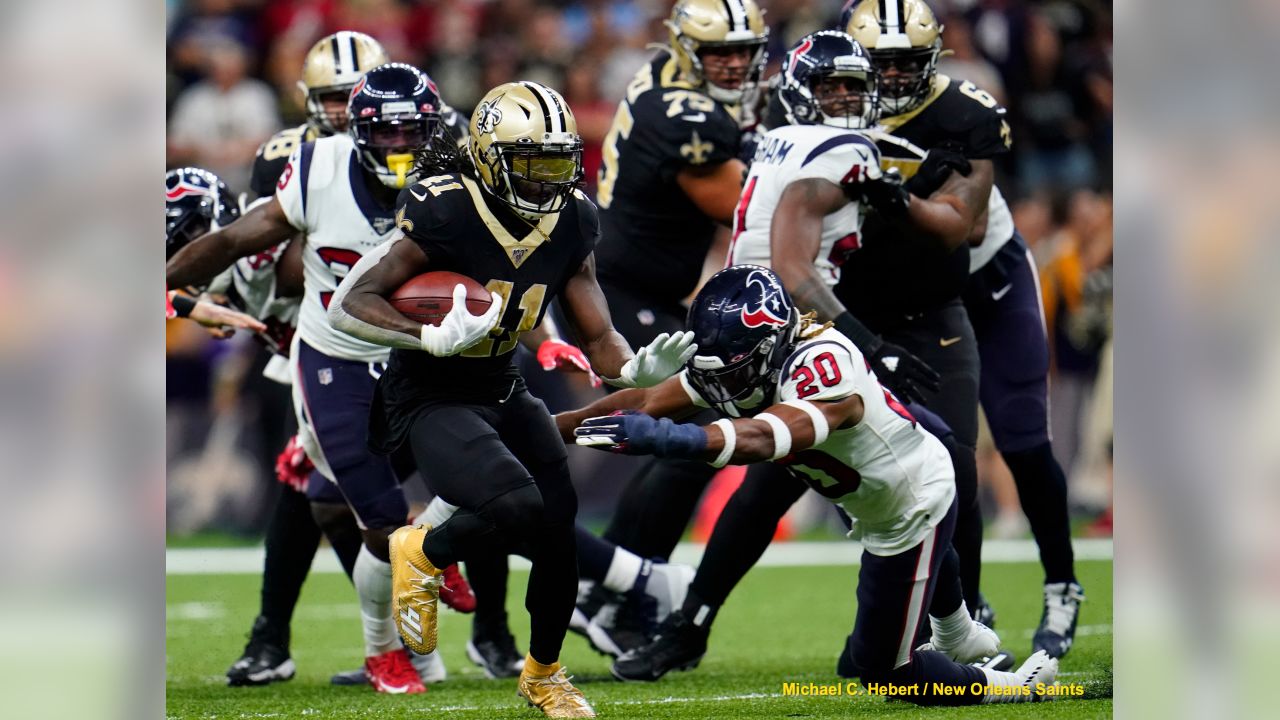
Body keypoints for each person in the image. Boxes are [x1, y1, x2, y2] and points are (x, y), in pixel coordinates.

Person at [609, 29, 979, 683]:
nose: (843, 98)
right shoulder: (839, 146)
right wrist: (873, 346)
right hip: (775, 331)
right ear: (805, 92)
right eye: (831, 86)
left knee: (888, 471)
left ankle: (680, 622)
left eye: (852, 87)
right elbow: (793, 262)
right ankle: (957, 626)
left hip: (744, 322)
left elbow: (838, 208)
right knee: (913, 472)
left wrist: (903, 185)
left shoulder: (786, 136)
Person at [326, 81, 696, 719]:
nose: (549, 179)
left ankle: (544, 675)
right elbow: (349, 303)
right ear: (489, 157)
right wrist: (425, 333)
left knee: (555, 528)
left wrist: (632, 368)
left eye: (559, 162)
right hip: (430, 391)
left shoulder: (574, 216)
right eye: (532, 163)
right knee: (519, 506)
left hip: (503, 382)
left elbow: (598, 331)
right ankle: (425, 550)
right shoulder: (447, 209)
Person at [565, 266, 1059, 706]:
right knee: (887, 630)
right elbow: (647, 402)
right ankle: (957, 631)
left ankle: (1012, 685)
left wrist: (673, 438)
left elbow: (763, 438)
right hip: (870, 491)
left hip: (910, 503)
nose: (723, 386)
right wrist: (546, 429)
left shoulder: (823, 363)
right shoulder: (740, 361)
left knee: (888, 674)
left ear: (771, 345)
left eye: (733, 372)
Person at [168, 63, 453, 694]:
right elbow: (239, 243)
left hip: (423, 354)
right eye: (386, 134)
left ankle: (439, 551)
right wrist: (165, 284)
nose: (401, 148)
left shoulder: (454, 174)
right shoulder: (317, 173)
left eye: (413, 134)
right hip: (338, 357)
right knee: (374, 516)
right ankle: (392, 648)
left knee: (485, 478)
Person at [844, 0, 1084, 655]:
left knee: (1022, 439)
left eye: (904, 62)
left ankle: (1062, 584)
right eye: (878, 63)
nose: (891, 78)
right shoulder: (830, 106)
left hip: (985, 282)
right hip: (910, 299)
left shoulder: (965, 110)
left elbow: (969, 226)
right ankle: (964, 608)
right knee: (944, 464)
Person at [580, 0, 768, 656]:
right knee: (690, 441)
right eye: (720, 52)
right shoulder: (682, 111)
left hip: (642, 287)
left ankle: (612, 588)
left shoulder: (675, 82)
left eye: (743, 51)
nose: (735, 63)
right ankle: (615, 591)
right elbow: (746, 209)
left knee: (682, 444)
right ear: (688, 48)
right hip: (619, 292)